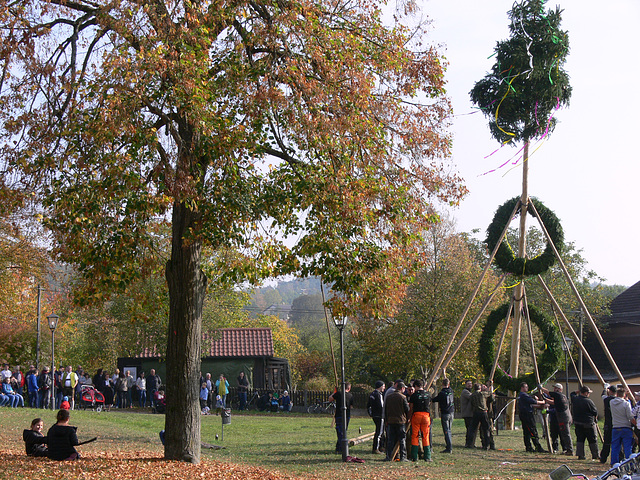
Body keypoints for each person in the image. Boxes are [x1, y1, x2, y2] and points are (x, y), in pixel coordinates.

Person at [541, 383, 573, 455]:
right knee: (562, 434)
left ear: (560, 389)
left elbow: (548, 393)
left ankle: (569, 450)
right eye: (555, 388)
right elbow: (553, 402)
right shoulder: (563, 396)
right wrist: (545, 399)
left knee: (565, 434)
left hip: (563, 418)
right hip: (566, 417)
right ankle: (566, 449)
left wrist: (541, 388)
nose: (555, 389)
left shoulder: (558, 395)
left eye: (557, 388)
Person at [571, 385, 600, 460]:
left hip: (578, 423)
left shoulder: (575, 399)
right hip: (588, 423)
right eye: (588, 392)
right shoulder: (588, 401)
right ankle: (595, 455)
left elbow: (572, 394)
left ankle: (580, 455)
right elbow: (595, 412)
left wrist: (578, 391)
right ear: (586, 393)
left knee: (580, 440)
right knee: (592, 440)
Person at [384, 381, 410, 461]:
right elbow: (407, 409)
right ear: (402, 388)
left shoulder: (389, 397)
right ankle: (403, 456)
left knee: (390, 440)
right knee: (402, 439)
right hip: (400, 421)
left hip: (391, 421)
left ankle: (388, 456)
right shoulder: (403, 397)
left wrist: (386, 420)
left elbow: (386, 409)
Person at [609, 387, 636, 466]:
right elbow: (630, 416)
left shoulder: (611, 402)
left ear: (616, 394)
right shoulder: (626, 403)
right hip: (625, 427)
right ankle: (630, 464)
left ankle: (614, 464)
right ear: (624, 395)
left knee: (615, 447)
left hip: (616, 427)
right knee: (627, 447)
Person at [518, 382, 546, 453]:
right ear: (522, 388)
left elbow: (531, 405)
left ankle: (529, 447)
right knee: (532, 430)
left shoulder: (524, 395)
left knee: (527, 432)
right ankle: (537, 447)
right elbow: (533, 401)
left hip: (525, 414)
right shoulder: (523, 395)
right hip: (526, 415)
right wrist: (542, 402)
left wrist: (540, 406)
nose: (527, 388)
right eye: (526, 387)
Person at [409, 379, 432, 462]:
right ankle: (427, 456)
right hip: (426, 416)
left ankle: (414, 456)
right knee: (425, 436)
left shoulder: (414, 395)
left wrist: (409, 417)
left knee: (415, 436)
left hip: (416, 415)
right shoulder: (428, 394)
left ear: (415, 386)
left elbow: (411, 408)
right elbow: (429, 404)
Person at [468, 383, 495, 451]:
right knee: (486, 429)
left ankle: (470, 443)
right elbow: (490, 393)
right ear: (480, 388)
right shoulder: (482, 394)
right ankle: (487, 445)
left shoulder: (472, 395)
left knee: (473, 429)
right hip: (483, 412)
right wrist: (489, 388)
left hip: (476, 412)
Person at [328, 382, 354, 454]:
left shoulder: (339, 393)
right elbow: (351, 406)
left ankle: (341, 448)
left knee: (340, 432)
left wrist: (334, 393)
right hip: (347, 415)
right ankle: (339, 447)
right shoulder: (350, 395)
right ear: (349, 388)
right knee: (343, 431)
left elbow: (330, 399)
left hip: (339, 415)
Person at [432, 378, 455, 453]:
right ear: (449, 384)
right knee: (449, 430)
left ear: (442, 384)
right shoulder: (451, 391)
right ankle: (449, 446)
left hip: (445, 413)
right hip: (451, 413)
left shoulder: (442, 393)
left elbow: (435, 399)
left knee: (446, 431)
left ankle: (449, 447)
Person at [367, 380, 385, 454]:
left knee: (379, 431)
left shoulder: (372, 394)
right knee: (379, 432)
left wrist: (371, 414)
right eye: (383, 386)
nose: (384, 388)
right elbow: (381, 406)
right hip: (380, 415)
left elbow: (368, 406)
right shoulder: (378, 394)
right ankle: (376, 448)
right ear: (380, 386)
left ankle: (381, 446)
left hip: (374, 415)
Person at [600, 384, 617, 463]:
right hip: (616, 423)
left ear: (609, 391)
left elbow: (602, 395)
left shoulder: (607, 399)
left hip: (608, 423)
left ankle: (603, 458)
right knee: (616, 442)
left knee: (607, 442)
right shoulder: (617, 400)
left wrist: (605, 388)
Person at [461, 379, 476, 448]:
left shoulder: (470, 392)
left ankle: (471, 443)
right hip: (467, 414)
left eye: (471, 383)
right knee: (469, 429)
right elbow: (472, 397)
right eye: (468, 383)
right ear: (465, 384)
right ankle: (468, 444)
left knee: (471, 429)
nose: (470, 385)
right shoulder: (465, 392)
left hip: (471, 413)